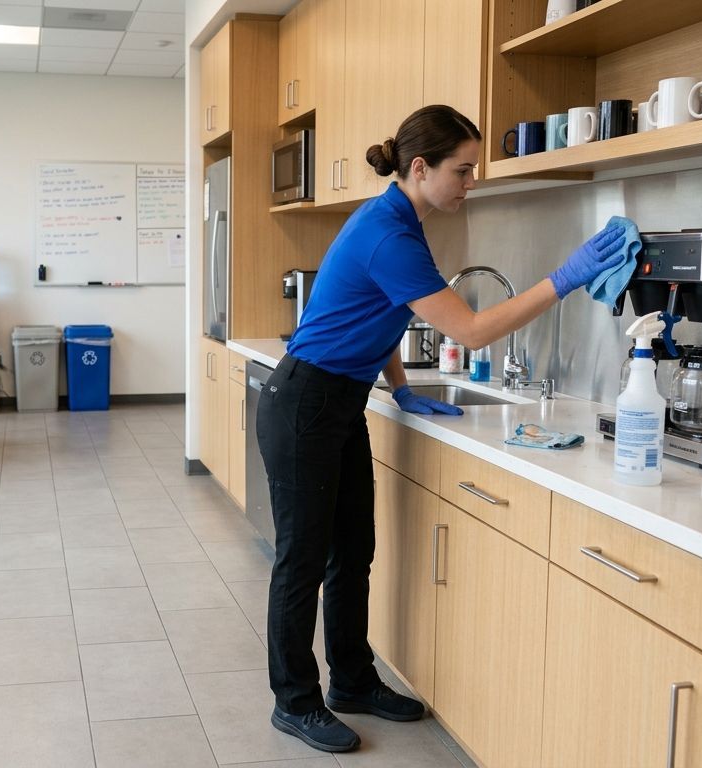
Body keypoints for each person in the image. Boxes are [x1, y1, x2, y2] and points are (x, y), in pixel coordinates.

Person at [258, 104, 629, 753]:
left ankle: (351, 680)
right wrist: (564, 278)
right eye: (463, 169)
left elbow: (386, 312)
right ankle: (294, 701)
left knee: (353, 553)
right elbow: (474, 329)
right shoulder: (389, 233)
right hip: (307, 404)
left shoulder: (399, 220)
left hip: (336, 400)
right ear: (421, 167)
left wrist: (400, 386)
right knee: (303, 561)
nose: (471, 181)